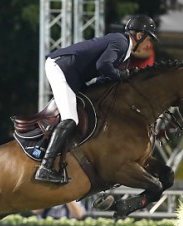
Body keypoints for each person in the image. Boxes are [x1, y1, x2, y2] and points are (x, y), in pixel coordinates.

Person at [35, 15, 159, 184]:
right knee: (71, 119)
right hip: (60, 67)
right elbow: (103, 65)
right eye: (149, 39)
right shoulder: (121, 42)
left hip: (73, 74)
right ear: (139, 36)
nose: (148, 45)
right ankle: (45, 167)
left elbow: (104, 79)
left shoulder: (126, 54)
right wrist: (123, 75)